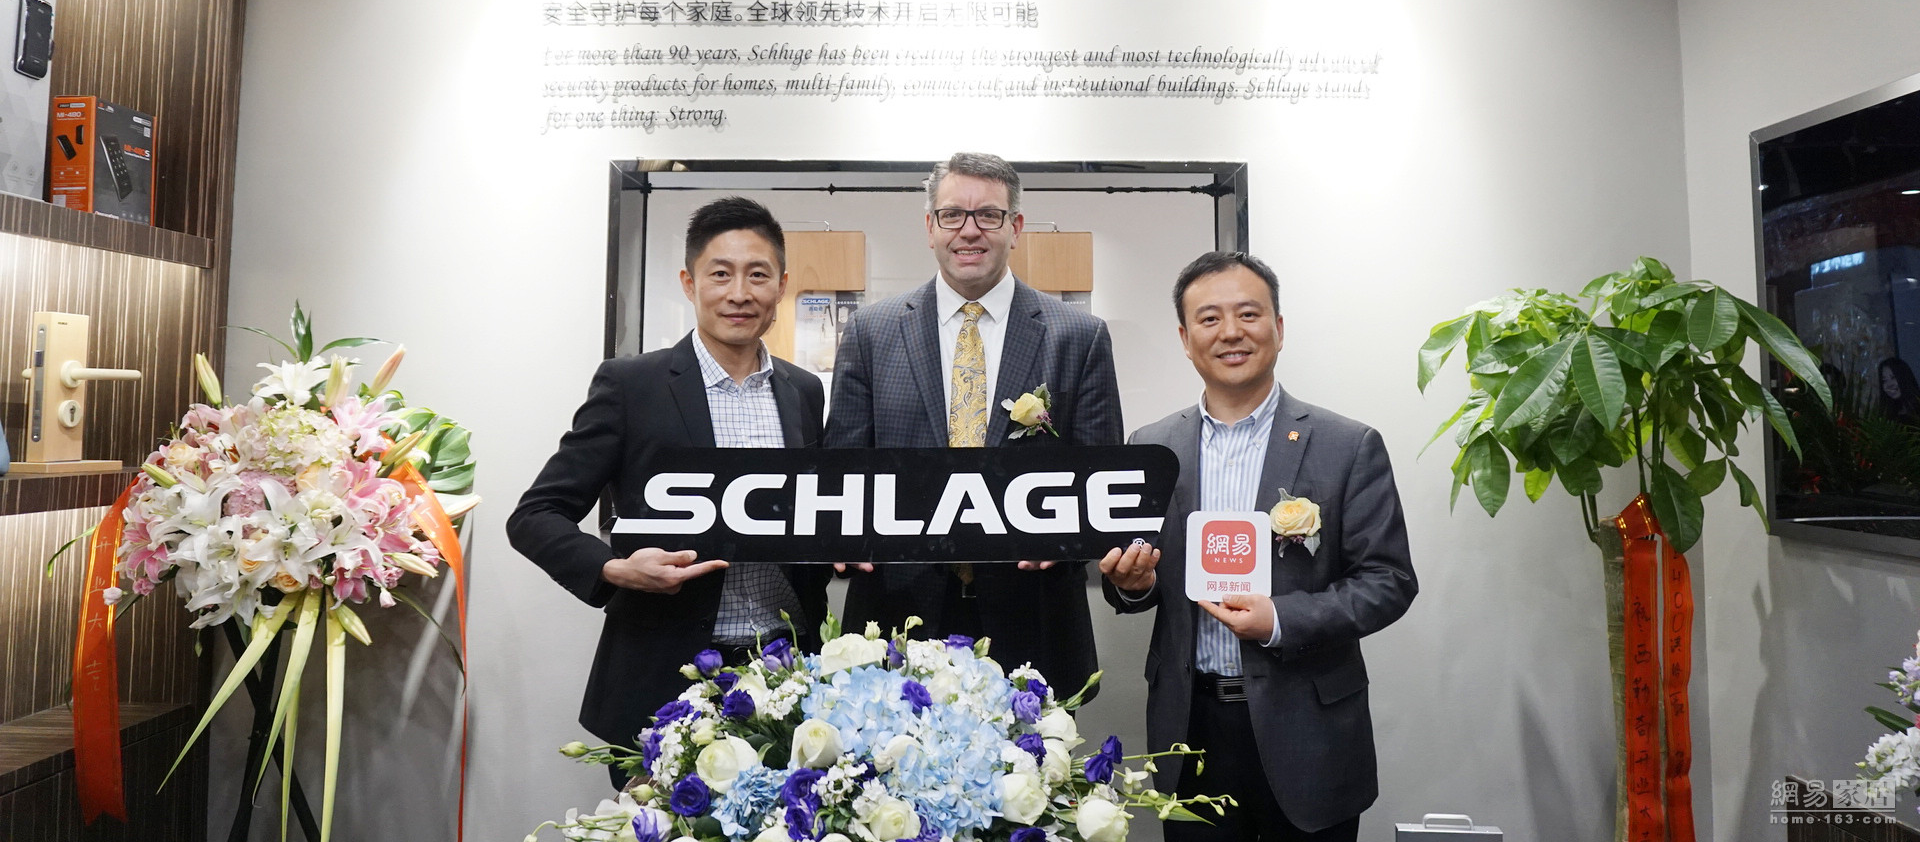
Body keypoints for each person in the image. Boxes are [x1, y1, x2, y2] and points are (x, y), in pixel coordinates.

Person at [507, 196, 830, 783]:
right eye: (720, 274)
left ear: (782, 285)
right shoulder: (632, 385)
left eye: (758, 275)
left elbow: (811, 512)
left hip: (787, 675)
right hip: (666, 676)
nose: (739, 293)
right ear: (689, 283)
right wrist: (614, 570)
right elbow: (536, 515)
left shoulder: (803, 391)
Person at [1100, 251, 1416, 841]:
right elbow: (1137, 580)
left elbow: (1389, 581)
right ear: (1186, 339)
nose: (1231, 332)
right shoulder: (1152, 446)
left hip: (1308, 728)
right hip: (1189, 727)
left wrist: (1281, 620)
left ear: (1278, 327)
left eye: (1248, 314)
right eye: (1209, 318)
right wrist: (1134, 586)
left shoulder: (1347, 445)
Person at [824, 151, 1122, 698]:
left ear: (1016, 227)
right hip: (898, 621)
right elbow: (843, 468)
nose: (969, 230)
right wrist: (842, 534)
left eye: (988, 215)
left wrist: (1072, 540)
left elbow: (1099, 478)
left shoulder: (1078, 337)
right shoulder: (871, 332)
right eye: (952, 215)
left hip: (1033, 618)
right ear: (930, 227)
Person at [1879, 357, 1920, 424]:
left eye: (1893, 377)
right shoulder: (1885, 415)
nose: (1889, 384)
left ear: (1904, 377)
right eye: (1884, 380)